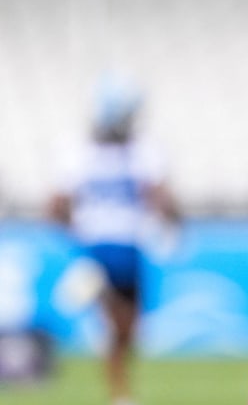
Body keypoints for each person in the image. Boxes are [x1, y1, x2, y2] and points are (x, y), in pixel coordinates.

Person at [47, 73, 179, 405]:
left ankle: (119, 388)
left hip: (127, 246)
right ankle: (119, 393)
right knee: (118, 322)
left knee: (130, 328)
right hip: (102, 246)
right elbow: (56, 205)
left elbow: (160, 197)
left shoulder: (142, 150)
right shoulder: (79, 150)